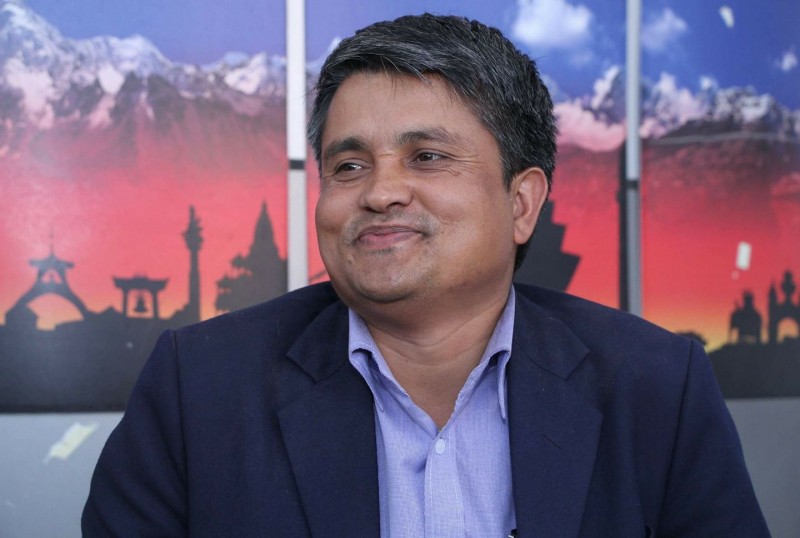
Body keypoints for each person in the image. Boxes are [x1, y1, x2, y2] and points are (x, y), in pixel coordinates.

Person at [83, 14, 769, 537]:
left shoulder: (657, 387)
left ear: (522, 203)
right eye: (349, 166)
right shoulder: (198, 388)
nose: (380, 192)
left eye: (428, 157)